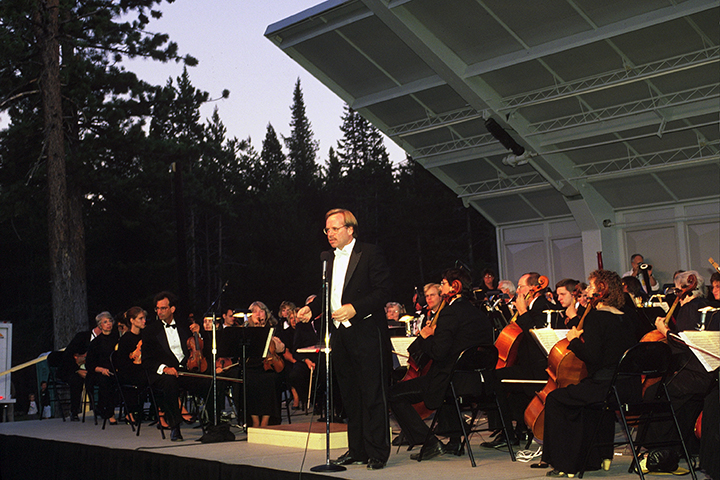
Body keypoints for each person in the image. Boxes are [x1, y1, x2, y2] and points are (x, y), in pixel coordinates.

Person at [297, 208, 393, 470]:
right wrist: (313, 308)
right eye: (327, 229)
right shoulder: (328, 259)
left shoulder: (370, 253)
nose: (330, 233)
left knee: (373, 395)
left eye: (335, 228)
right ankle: (358, 450)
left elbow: (384, 291)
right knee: (350, 396)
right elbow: (328, 292)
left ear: (350, 229)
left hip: (366, 333)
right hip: (340, 336)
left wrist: (355, 307)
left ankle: (377, 452)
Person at [541, 269, 638, 477]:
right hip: (627, 387)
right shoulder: (627, 317)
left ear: (602, 290)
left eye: (591, 286)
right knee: (586, 398)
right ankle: (602, 457)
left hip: (605, 388)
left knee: (556, 399)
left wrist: (574, 340)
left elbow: (592, 357)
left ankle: (566, 464)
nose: (586, 291)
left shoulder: (596, 318)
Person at [389, 267, 493, 460]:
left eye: (444, 283)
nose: (442, 286)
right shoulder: (479, 314)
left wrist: (427, 337)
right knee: (444, 377)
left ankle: (429, 442)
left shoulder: (450, 314)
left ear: (455, 286)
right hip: (478, 381)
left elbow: (438, 352)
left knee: (394, 395)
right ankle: (454, 442)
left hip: (450, 382)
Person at [486, 272, 554, 448]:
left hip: (537, 368)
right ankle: (518, 430)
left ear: (533, 289)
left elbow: (536, 336)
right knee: (504, 380)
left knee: (495, 378)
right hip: (527, 364)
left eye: (520, 286)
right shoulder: (532, 306)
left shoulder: (541, 306)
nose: (517, 290)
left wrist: (523, 311)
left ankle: (508, 434)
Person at [142, 291, 216, 441]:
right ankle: (175, 427)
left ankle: (212, 423)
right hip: (163, 372)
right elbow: (147, 359)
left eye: (163, 308)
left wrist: (199, 334)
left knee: (208, 381)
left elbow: (204, 349)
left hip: (184, 369)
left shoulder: (184, 326)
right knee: (170, 383)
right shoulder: (150, 330)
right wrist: (164, 368)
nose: (159, 311)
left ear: (172, 309)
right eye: (157, 308)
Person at [86, 311, 120, 424]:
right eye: (105, 322)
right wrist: (101, 370)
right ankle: (110, 413)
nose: (108, 323)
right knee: (106, 381)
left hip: (115, 370)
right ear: (100, 325)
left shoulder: (117, 338)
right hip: (98, 372)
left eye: (110, 321)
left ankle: (132, 413)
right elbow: (90, 364)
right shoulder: (95, 343)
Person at [114, 306, 147, 422]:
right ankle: (131, 412)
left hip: (143, 369)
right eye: (140, 318)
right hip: (129, 372)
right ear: (132, 320)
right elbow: (122, 362)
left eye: (144, 318)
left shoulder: (146, 336)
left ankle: (158, 411)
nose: (144, 321)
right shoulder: (125, 339)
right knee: (144, 379)